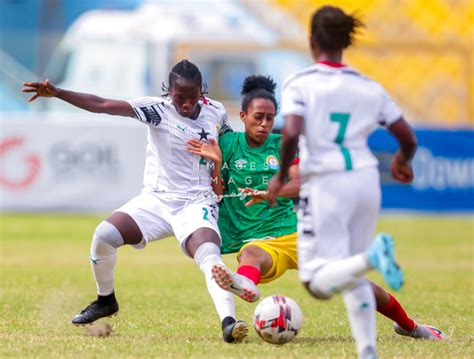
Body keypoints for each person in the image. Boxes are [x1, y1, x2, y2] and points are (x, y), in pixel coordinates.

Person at [187, 75, 445, 342]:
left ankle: (410, 325)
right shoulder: (228, 145)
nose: (264, 124)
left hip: (293, 233)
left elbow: (301, 183)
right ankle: (244, 283)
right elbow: (217, 194)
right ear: (242, 115)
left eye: (270, 117)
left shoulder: (282, 145)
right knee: (250, 253)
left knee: (354, 282)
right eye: (258, 117)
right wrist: (217, 164)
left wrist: (270, 193)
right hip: (257, 242)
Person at [21, 59, 251, 343]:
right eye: (181, 97)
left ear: (202, 92)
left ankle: (229, 323)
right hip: (155, 200)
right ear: (169, 92)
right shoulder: (157, 109)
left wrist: (220, 166)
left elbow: (227, 155)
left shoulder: (216, 112)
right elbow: (102, 104)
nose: (187, 104)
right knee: (103, 235)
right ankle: (106, 301)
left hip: (196, 202)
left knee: (209, 257)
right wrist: (58, 93)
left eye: (193, 97)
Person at [266, 6, 446, 357]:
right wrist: (401, 161)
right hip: (365, 182)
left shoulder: (301, 83)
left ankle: (373, 256)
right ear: (346, 42)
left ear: (311, 40)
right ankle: (367, 351)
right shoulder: (369, 86)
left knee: (317, 281)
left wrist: (279, 175)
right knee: (349, 270)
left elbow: (290, 134)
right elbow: (408, 137)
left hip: (325, 185)